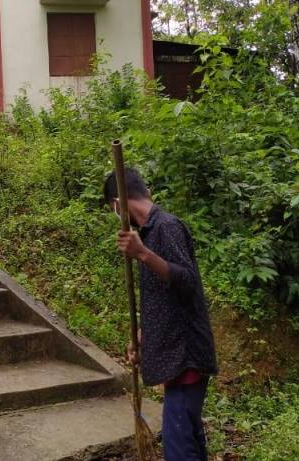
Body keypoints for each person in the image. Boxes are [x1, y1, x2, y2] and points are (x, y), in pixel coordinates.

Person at [105, 167, 218, 461]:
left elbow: (188, 281)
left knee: (179, 449)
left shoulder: (166, 227)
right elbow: (164, 297)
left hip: (186, 357)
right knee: (188, 442)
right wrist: (143, 337)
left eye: (112, 210)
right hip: (176, 358)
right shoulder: (149, 232)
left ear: (118, 204)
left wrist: (143, 253)